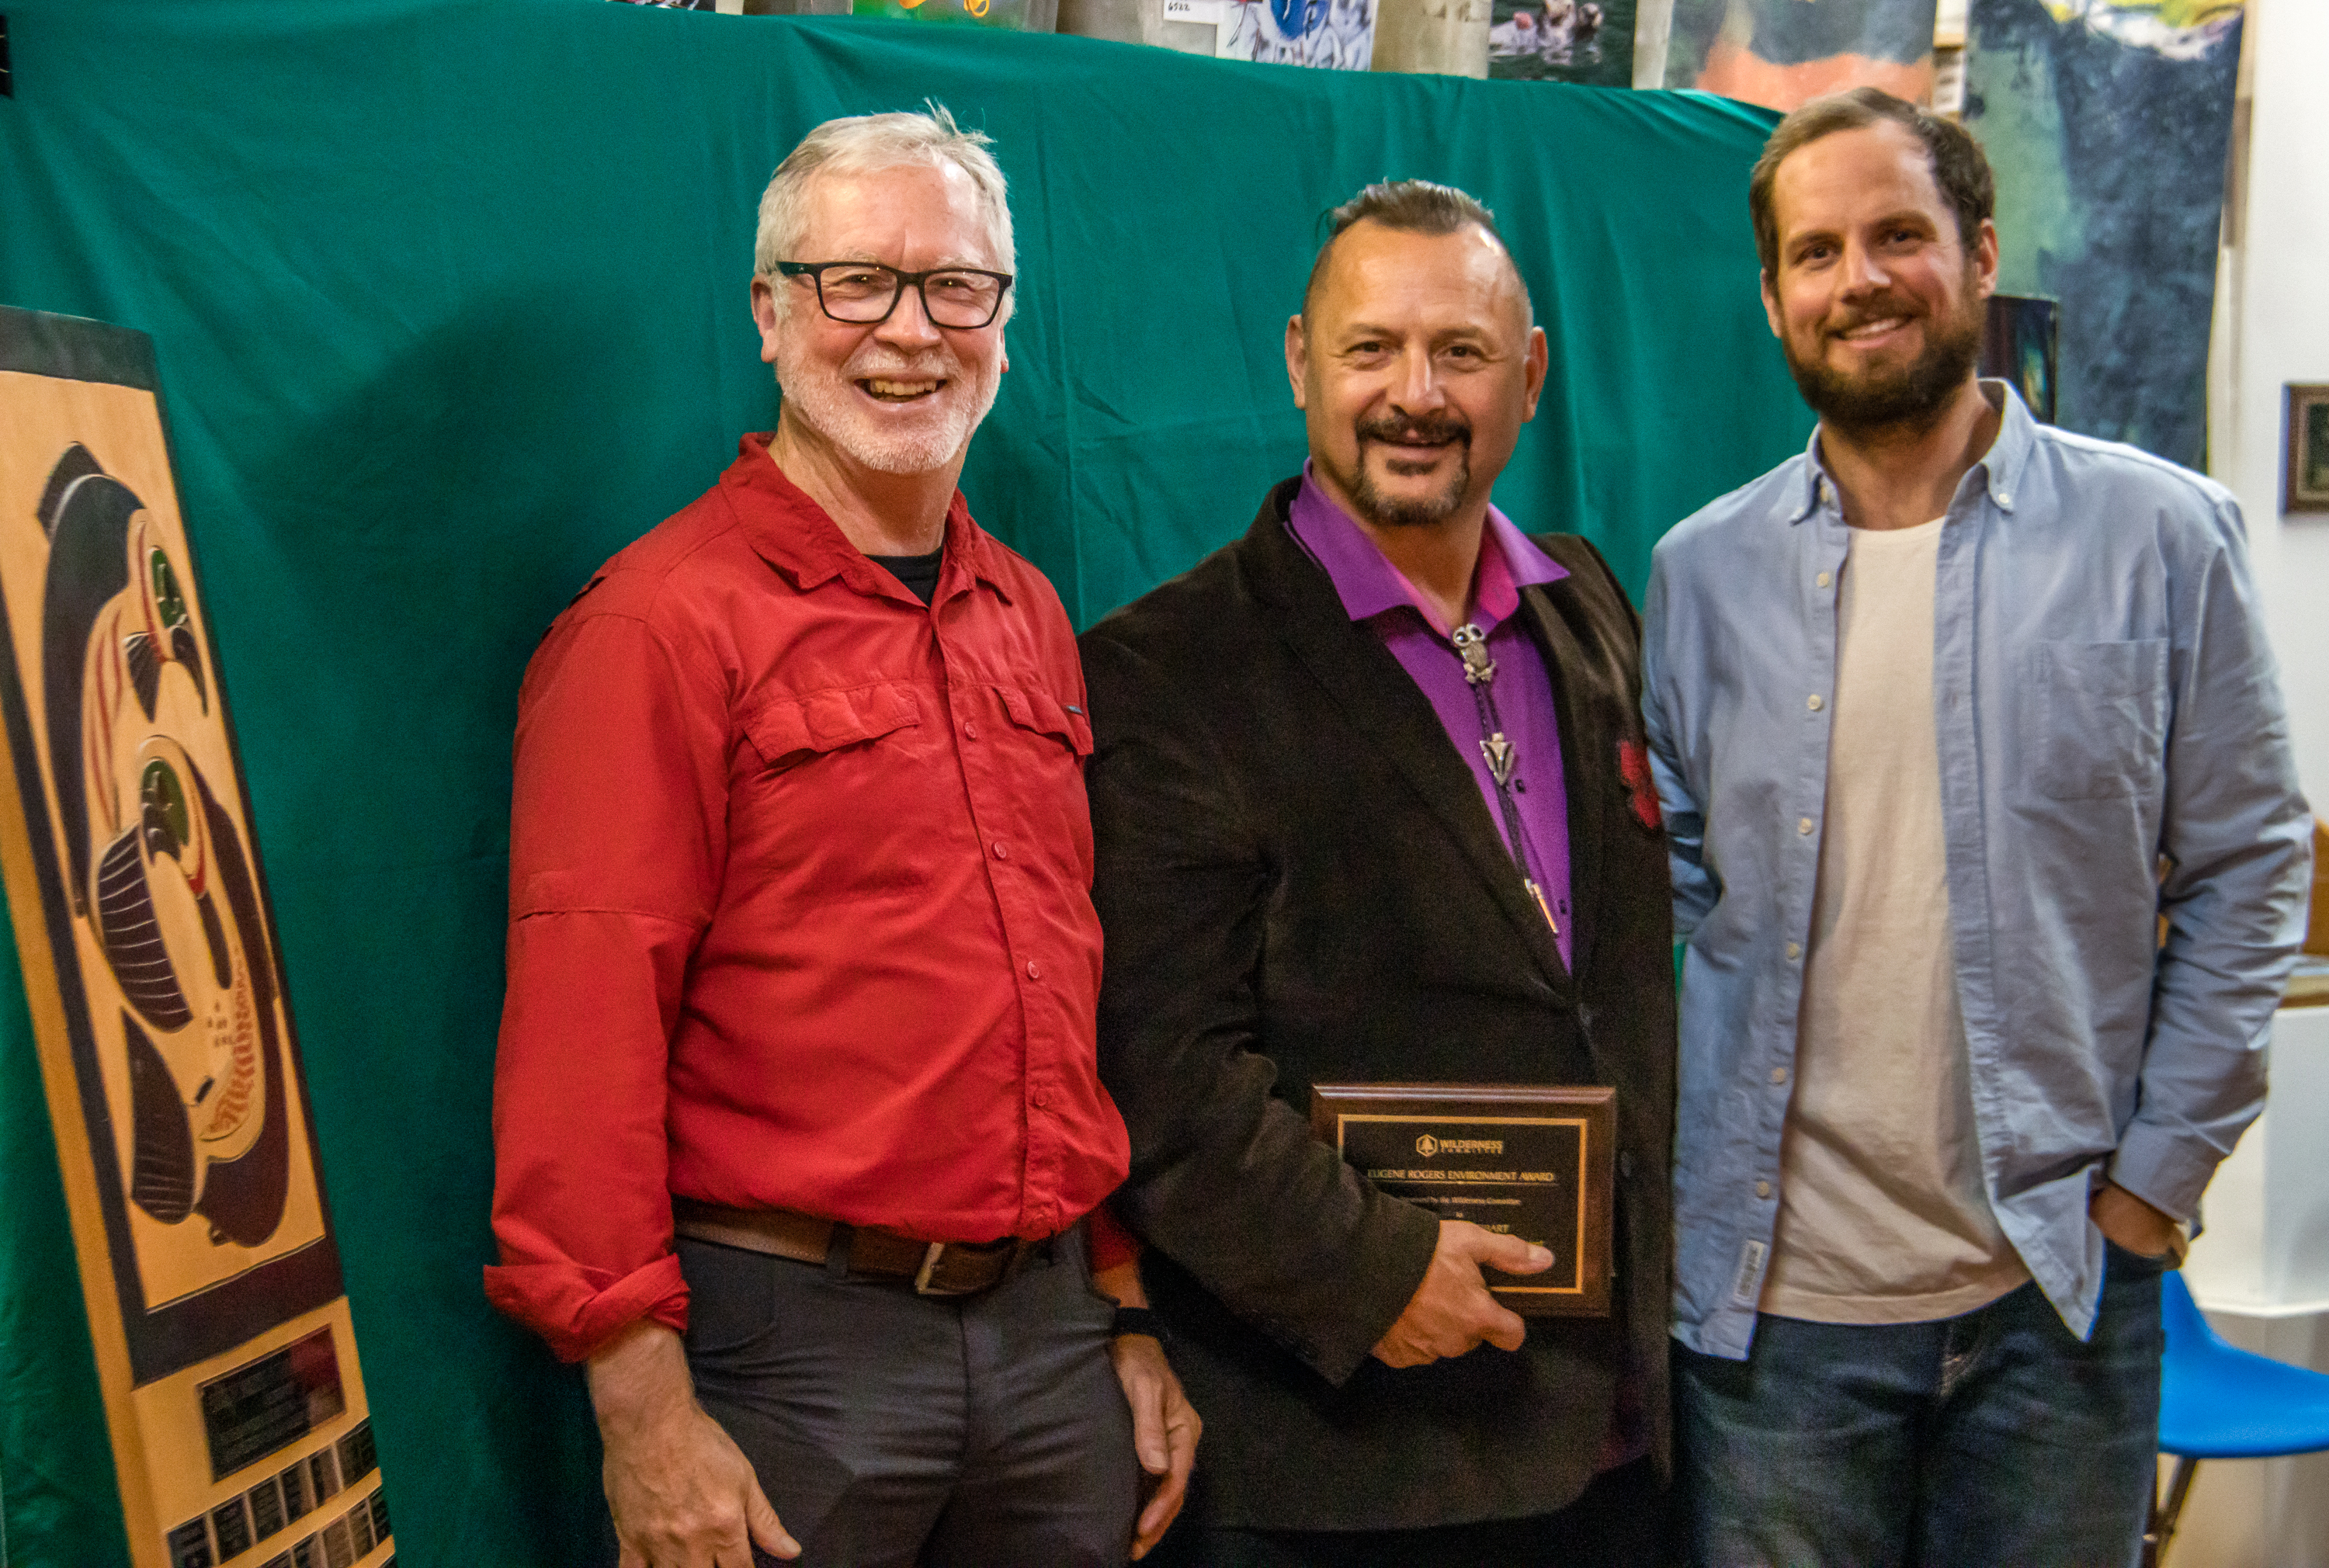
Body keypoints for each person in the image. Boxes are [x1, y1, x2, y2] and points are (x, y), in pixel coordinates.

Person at [485, 106, 1196, 1568]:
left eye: (956, 288)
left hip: (1054, 1344)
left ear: (1004, 318)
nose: (911, 332)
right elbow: (585, 1026)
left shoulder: (1029, 617)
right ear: (769, 311)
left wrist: (1118, 1301)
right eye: (854, 282)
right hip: (787, 1359)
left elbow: (1067, 1004)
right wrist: (641, 1411)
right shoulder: (656, 627)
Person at [1642, 87, 2312, 1568]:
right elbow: (1669, 895)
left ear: (1981, 251)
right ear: (1771, 300)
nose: (1859, 279)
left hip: (2058, 1296)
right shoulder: (1701, 575)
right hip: (1774, 1320)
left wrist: (2150, 1192)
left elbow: (2253, 872)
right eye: (1815, 252)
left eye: (1899, 234)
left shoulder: (2164, 538)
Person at [1080, 180, 1675, 1567]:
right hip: (1347, 1462)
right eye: (1371, 350)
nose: (1416, 394)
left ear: (1527, 376)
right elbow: (1159, 1074)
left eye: (1461, 352)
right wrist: (1370, 1274)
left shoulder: (1590, 604)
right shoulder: (1167, 674)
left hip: (1617, 1443)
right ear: (1300, 361)